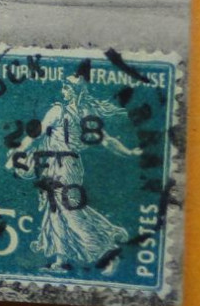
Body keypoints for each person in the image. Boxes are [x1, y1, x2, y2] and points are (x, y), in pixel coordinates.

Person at [9, 75, 141, 271]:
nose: (63, 91)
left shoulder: (59, 110)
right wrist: (128, 152)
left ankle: (106, 249)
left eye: (66, 88)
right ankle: (60, 260)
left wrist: (19, 149)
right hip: (60, 164)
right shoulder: (84, 112)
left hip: (64, 164)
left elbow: (36, 133)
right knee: (56, 210)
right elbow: (107, 140)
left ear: (73, 91)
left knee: (69, 210)